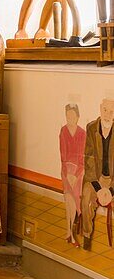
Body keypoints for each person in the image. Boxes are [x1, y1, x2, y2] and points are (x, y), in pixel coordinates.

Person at [80, 99, 114, 251]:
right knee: (86, 198)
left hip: (112, 179)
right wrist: (98, 187)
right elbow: (89, 160)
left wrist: (111, 190)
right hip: (95, 178)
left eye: (112, 111)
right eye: (105, 110)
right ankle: (87, 236)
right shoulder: (92, 128)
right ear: (100, 109)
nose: (108, 114)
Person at [60, 103, 86, 246]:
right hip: (65, 171)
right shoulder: (63, 131)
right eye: (68, 115)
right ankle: (69, 231)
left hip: (78, 172)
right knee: (68, 201)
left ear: (78, 117)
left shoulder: (82, 133)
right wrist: (67, 173)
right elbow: (63, 155)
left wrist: (75, 174)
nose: (70, 118)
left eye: (73, 115)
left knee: (74, 201)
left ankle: (73, 232)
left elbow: (82, 156)